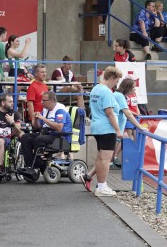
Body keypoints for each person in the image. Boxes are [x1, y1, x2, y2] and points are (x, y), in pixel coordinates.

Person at [82, 66, 123, 197]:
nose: (116, 85)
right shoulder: (106, 92)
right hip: (106, 128)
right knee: (105, 159)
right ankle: (102, 186)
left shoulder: (96, 89)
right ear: (111, 78)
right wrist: (118, 130)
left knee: (101, 157)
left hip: (97, 126)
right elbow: (110, 112)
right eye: (116, 82)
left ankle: (101, 185)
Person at [19, 91, 72, 176]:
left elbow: (59, 127)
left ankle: (38, 164)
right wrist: (36, 119)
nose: (41, 102)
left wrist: (43, 118)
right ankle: (29, 166)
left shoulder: (60, 110)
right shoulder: (45, 110)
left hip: (60, 136)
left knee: (40, 139)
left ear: (51, 100)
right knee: (25, 137)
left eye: (44, 100)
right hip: (47, 134)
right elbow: (38, 127)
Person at [110, 79, 146, 170]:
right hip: (113, 129)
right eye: (133, 87)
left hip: (116, 129)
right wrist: (140, 127)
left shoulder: (120, 96)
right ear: (128, 88)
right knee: (106, 155)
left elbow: (126, 111)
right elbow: (127, 113)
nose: (135, 90)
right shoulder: (119, 96)